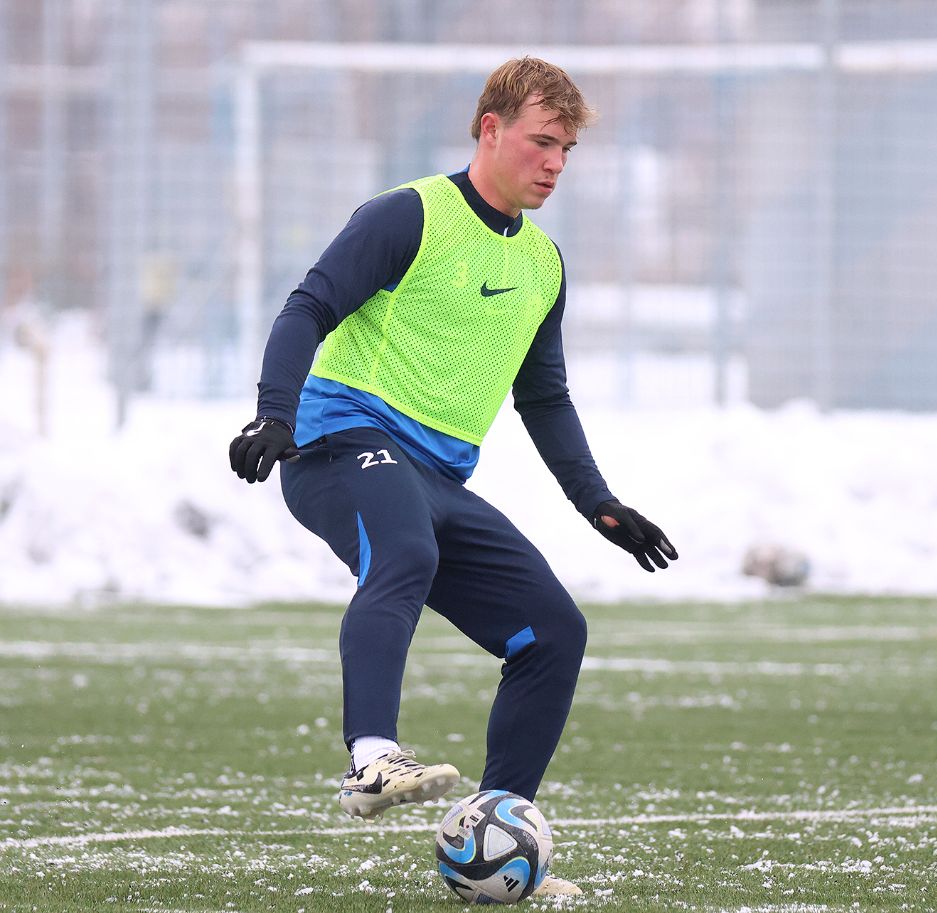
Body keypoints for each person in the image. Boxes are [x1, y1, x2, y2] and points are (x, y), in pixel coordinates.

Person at [228, 57, 677, 895]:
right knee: (405, 548)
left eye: (568, 149)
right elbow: (307, 307)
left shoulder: (543, 265)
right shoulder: (408, 215)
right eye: (542, 142)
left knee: (554, 631)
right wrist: (274, 414)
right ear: (490, 130)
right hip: (339, 443)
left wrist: (599, 502)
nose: (556, 163)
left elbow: (545, 397)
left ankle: (497, 831)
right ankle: (371, 759)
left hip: (434, 478)